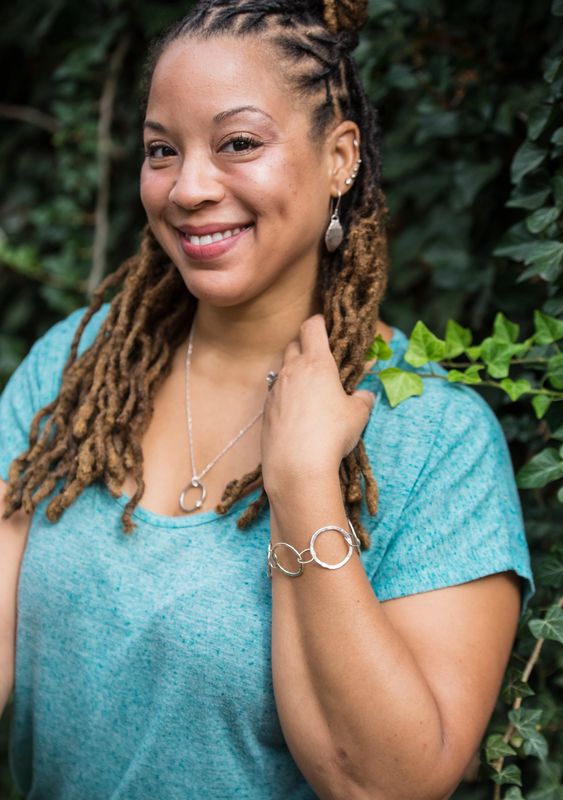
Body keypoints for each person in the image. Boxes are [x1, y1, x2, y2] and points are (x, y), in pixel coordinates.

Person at [0, 1, 535, 798]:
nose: (188, 188)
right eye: (160, 150)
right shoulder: (75, 374)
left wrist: (304, 487)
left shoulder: (436, 438)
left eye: (238, 144)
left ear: (340, 157)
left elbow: (383, 786)